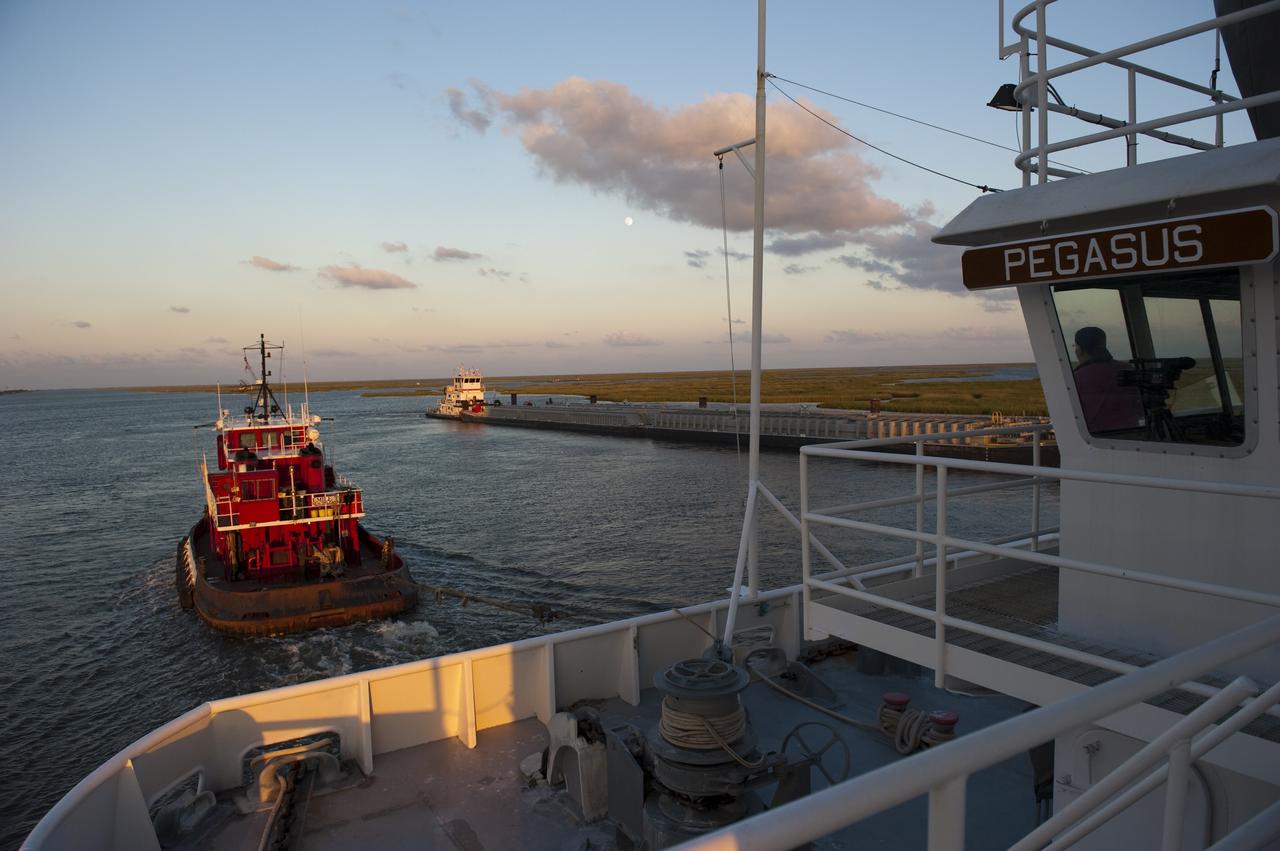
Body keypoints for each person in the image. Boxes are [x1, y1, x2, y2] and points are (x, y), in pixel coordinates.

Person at [1072, 326, 1143, 433]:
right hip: (1133, 434)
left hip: (1097, 439)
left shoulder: (1076, 378)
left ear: (1080, 350)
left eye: (1075, 346)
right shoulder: (1127, 369)